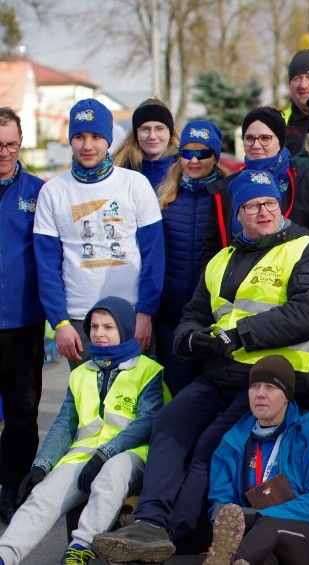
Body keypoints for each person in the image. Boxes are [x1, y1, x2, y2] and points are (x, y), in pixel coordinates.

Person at [92, 169, 309, 562]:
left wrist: (238, 335)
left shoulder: (306, 250)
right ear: (236, 214)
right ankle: (149, 523)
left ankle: (176, 533)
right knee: (169, 422)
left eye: (270, 203)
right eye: (252, 206)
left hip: (275, 381)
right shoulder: (221, 260)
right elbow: (193, 313)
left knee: (211, 443)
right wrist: (190, 338)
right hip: (221, 372)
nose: (264, 212)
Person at [0, 297, 167, 565]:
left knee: (111, 477)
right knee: (42, 496)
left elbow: (146, 422)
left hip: (129, 454)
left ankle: (81, 546)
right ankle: (5, 554)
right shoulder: (81, 373)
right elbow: (64, 424)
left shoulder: (148, 371)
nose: (99, 333)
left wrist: (105, 453)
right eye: (94, 326)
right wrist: (41, 466)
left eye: (108, 327)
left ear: (124, 330)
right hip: (83, 455)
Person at [33, 98, 165, 367]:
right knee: (86, 405)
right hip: (80, 321)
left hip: (129, 316)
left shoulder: (135, 184)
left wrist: (145, 313)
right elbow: (46, 265)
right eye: (79, 136)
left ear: (108, 140)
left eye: (96, 136)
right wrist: (60, 322)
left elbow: (154, 256)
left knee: (133, 404)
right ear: (71, 140)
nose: (87, 145)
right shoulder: (53, 191)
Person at [205, 355, 309, 565]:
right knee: (265, 558)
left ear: (286, 395)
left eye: (270, 387)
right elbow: (221, 501)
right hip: (256, 539)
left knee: (269, 526)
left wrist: (259, 515)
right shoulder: (234, 440)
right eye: (255, 386)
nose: (260, 394)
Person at [203, 106, 309, 263]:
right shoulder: (226, 189)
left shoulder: (307, 183)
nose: (256, 145)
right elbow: (211, 252)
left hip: (298, 282)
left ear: (280, 141)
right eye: (249, 138)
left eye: (265, 138)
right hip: (238, 283)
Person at [155, 120, 229, 394]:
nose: (194, 160)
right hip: (171, 315)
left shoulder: (227, 195)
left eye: (203, 153)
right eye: (187, 153)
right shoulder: (165, 197)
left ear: (216, 156)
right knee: (178, 393)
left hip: (213, 315)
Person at [0, 107, 45, 524]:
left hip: (23, 325)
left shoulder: (37, 192)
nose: (5, 152)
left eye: (12, 144)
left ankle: (10, 488)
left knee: (21, 413)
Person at [112, 98, 179, 190]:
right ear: (136, 133)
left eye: (160, 129)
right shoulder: (118, 168)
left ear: (170, 132)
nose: (152, 136)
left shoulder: (185, 166)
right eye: (145, 129)